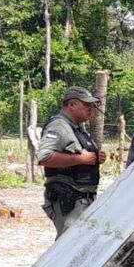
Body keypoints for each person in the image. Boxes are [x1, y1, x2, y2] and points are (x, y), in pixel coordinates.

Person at [36, 85, 108, 238]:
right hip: (68, 200)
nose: (91, 109)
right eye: (86, 105)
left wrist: (96, 158)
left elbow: (81, 157)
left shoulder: (76, 128)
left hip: (82, 199)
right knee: (69, 245)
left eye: (92, 105)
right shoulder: (59, 126)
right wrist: (80, 159)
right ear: (72, 105)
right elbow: (44, 156)